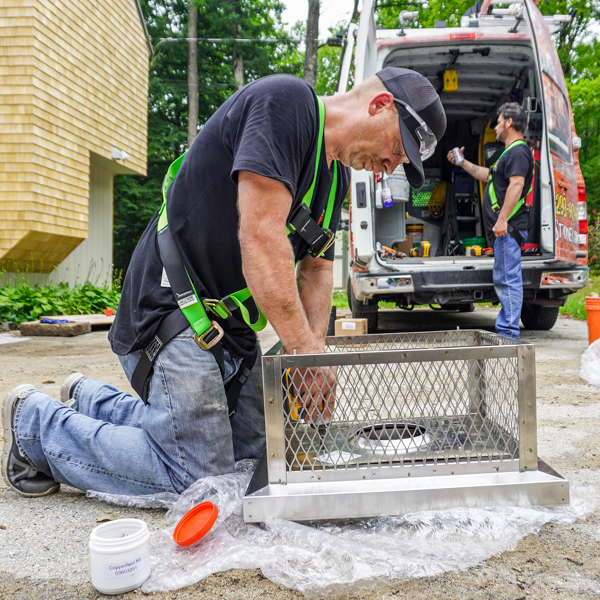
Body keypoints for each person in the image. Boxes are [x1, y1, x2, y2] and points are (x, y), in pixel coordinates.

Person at [2, 67, 446, 498]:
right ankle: (35, 424)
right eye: (397, 146)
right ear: (380, 103)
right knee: (201, 480)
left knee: (259, 465)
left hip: (228, 328)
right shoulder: (285, 105)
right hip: (171, 307)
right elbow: (260, 235)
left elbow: (318, 269)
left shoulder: (336, 179)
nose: (391, 165)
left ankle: (89, 399)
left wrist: (313, 351)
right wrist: (304, 355)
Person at [447, 102, 533, 340]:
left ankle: (508, 335)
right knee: (505, 278)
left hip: (509, 229)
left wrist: (502, 220)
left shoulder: (517, 151)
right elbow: (488, 175)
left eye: (498, 121)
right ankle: (508, 332)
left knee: (507, 281)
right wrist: (462, 162)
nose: (495, 126)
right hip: (507, 230)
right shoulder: (508, 154)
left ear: (509, 123)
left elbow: (516, 185)